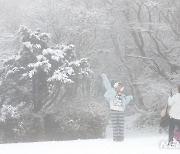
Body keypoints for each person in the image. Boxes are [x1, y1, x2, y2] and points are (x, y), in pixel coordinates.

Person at [101, 73, 133, 142]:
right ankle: (115, 138)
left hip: (121, 111)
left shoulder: (122, 95)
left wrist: (129, 98)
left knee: (121, 125)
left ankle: (121, 138)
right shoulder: (111, 92)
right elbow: (107, 84)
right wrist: (104, 76)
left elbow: (125, 101)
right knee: (115, 126)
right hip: (113, 111)